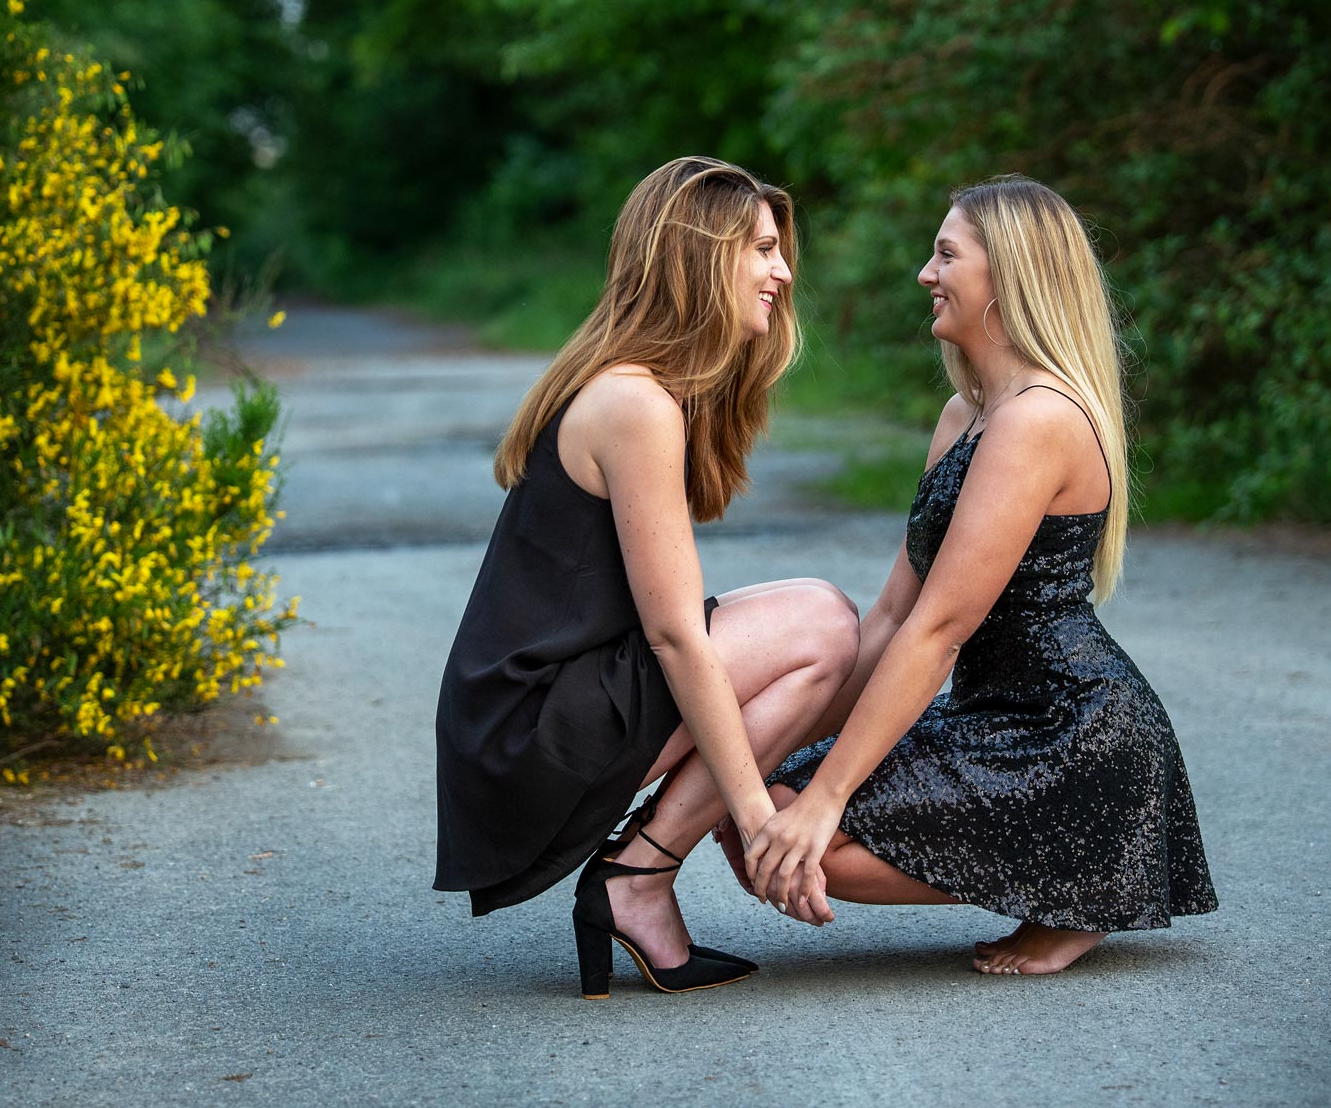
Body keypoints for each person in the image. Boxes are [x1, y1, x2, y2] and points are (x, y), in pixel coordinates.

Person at [737, 175, 1217, 975]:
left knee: (816, 846)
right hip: (989, 716)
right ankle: (1064, 878)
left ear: (1010, 278)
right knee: (770, 813)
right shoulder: (969, 413)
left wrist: (826, 804)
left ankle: (1083, 882)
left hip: (1072, 734)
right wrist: (766, 768)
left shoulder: (1040, 419)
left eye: (946, 255)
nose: (927, 274)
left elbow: (940, 629)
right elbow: (894, 612)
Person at [433, 156, 861, 998]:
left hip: (531, 713)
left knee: (829, 622)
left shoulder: (638, 389)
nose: (781, 273)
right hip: (526, 734)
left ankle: (638, 879)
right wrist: (755, 816)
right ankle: (639, 875)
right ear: (701, 255)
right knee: (821, 628)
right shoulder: (635, 403)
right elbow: (673, 636)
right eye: (765, 249)